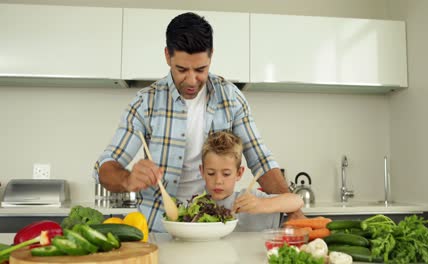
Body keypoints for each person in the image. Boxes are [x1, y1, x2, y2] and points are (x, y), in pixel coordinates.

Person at [93, 12, 304, 232]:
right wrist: (127, 179)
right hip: (158, 228)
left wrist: (294, 213)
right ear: (167, 56)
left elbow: (261, 161)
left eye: (201, 69)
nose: (192, 80)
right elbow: (105, 167)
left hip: (212, 227)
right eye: (182, 70)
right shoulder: (145, 103)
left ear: (211, 56)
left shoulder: (231, 98)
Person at [200, 131, 303, 231]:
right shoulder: (196, 205)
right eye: (211, 173)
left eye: (226, 174)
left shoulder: (249, 198)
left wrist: (261, 204)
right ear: (202, 171)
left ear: (239, 173)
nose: (218, 181)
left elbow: (297, 201)